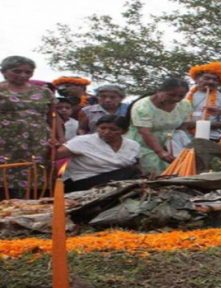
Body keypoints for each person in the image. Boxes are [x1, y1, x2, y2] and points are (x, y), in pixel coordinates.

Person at [0, 55, 56, 198]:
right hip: (5, 143)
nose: (23, 75)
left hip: (36, 142)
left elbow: (53, 117)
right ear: (4, 72)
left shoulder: (44, 92)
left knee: (34, 177)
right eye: (16, 71)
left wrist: (58, 138)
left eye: (28, 72)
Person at [127, 77, 192, 177]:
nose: (176, 98)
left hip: (170, 142)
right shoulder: (143, 106)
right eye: (171, 95)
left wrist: (178, 143)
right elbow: (144, 131)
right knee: (156, 172)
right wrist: (160, 151)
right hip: (144, 144)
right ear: (159, 91)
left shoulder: (185, 105)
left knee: (182, 169)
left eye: (181, 96)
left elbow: (183, 126)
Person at [56, 115, 140, 192]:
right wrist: (52, 147)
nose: (106, 132)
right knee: (131, 172)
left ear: (124, 131)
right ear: (97, 128)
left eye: (113, 129)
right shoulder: (83, 141)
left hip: (116, 181)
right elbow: (56, 155)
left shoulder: (132, 145)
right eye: (102, 128)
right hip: (82, 181)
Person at [186, 61, 221, 140]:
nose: (211, 82)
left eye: (215, 80)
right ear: (196, 79)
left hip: (211, 138)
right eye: (207, 78)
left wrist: (201, 125)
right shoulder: (183, 95)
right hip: (182, 136)